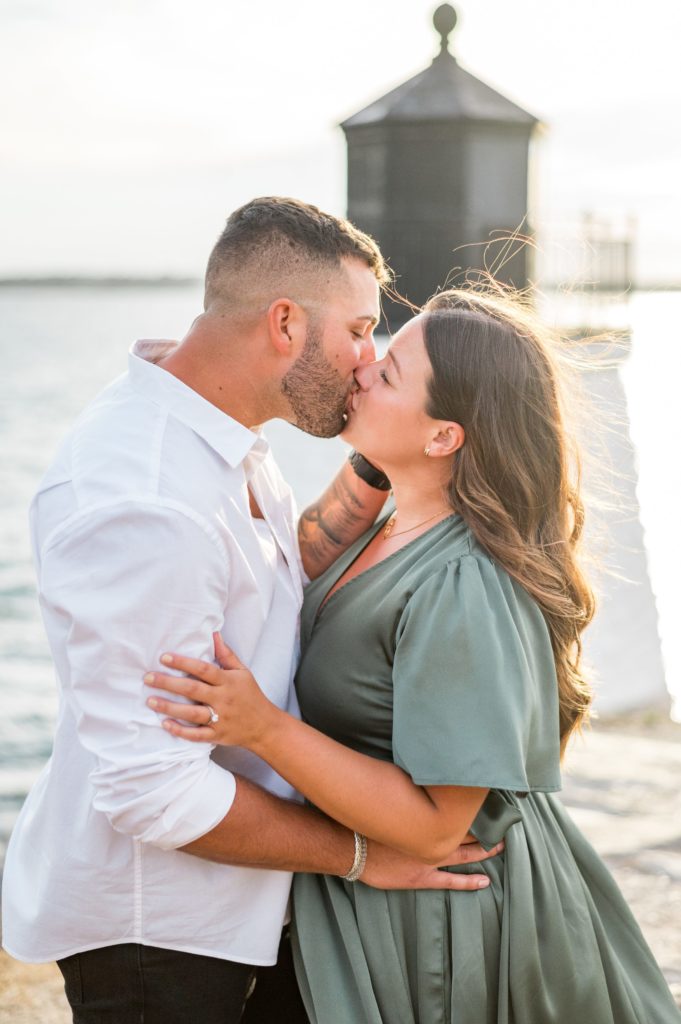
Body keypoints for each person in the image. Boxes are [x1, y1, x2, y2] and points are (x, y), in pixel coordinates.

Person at [1, 200, 500, 1024]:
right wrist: (359, 854)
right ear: (284, 323)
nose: (366, 360)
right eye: (359, 329)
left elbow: (272, 572)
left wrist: (387, 463)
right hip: (159, 936)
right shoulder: (145, 500)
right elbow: (152, 794)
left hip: (240, 903)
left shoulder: (215, 431)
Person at [146, 286, 681, 1023]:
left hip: (439, 924)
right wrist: (373, 454)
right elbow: (297, 562)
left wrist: (264, 729)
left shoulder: (463, 584)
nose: (361, 366)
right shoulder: (392, 520)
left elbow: (437, 824)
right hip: (365, 898)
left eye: (389, 372)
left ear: (443, 438)